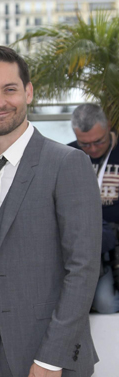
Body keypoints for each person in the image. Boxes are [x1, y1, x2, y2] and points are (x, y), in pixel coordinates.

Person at [0, 45, 101, 377]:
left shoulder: (67, 164)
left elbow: (83, 268)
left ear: (29, 92)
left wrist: (52, 358)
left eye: (9, 89)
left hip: (49, 364)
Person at [69, 103, 119, 314]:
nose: (92, 149)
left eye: (98, 141)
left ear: (108, 126)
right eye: (85, 144)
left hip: (113, 248)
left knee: (105, 303)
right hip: (80, 245)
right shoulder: (68, 154)